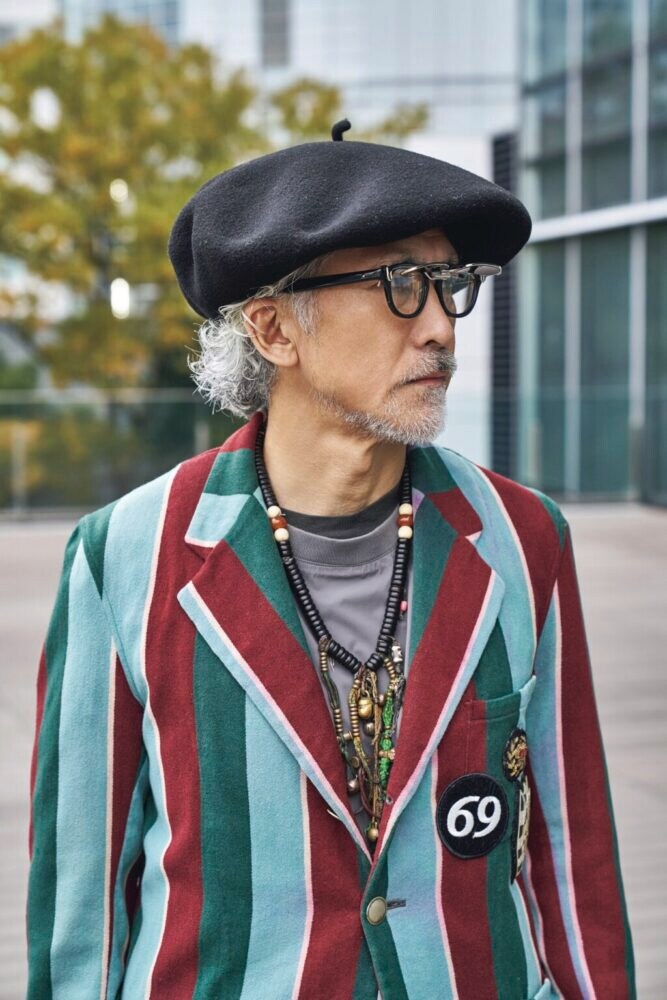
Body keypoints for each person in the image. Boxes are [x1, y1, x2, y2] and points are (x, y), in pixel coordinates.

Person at [26, 120, 635, 999]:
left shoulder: (522, 536)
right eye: (399, 284)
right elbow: (79, 906)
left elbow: (573, 858)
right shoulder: (124, 554)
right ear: (275, 329)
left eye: (449, 284)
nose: (440, 327)